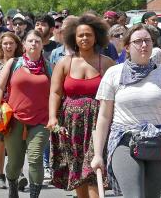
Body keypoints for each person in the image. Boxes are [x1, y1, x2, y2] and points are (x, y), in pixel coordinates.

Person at [91, 23, 161, 198]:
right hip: (124, 141)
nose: (144, 45)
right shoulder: (114, 73)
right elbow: (104, 117)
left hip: (158, 142)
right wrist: (97, 154)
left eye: (147, 41)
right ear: (127, 47)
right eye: (138, 41)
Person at [46, 14, 114, 198]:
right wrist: (52, 117)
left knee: (93, 168)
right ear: (73, 38)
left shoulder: (106, 63)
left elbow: (116, 94)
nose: (84, 38)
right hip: (70, 122)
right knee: (76, 167)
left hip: (98, 122)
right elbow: (55, 92)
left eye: (88, 35)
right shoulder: (64, 63)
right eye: (80, 35)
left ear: (96, 37)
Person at [0, 30, 52, 198]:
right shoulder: (13, 63)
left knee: (35, 158)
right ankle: (12, 184)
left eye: (37, 41)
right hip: (15, 120)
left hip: (41, 120)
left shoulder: (48, 66)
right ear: (24, 45)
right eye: (30, 41)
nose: (34, 44)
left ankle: (34, 196)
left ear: (42, 45)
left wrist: (54, 117)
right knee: (15, 163)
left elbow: (56, 93)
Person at [0, 32, 23, 190]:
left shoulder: (22, 61)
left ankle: (16, 173)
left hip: (16, 105)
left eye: (11, 43)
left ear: (16, 45)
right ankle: (0, 176)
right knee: (0, 142)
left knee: (17, 142)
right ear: (0, 45)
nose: (8, 46)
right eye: (5, 44)